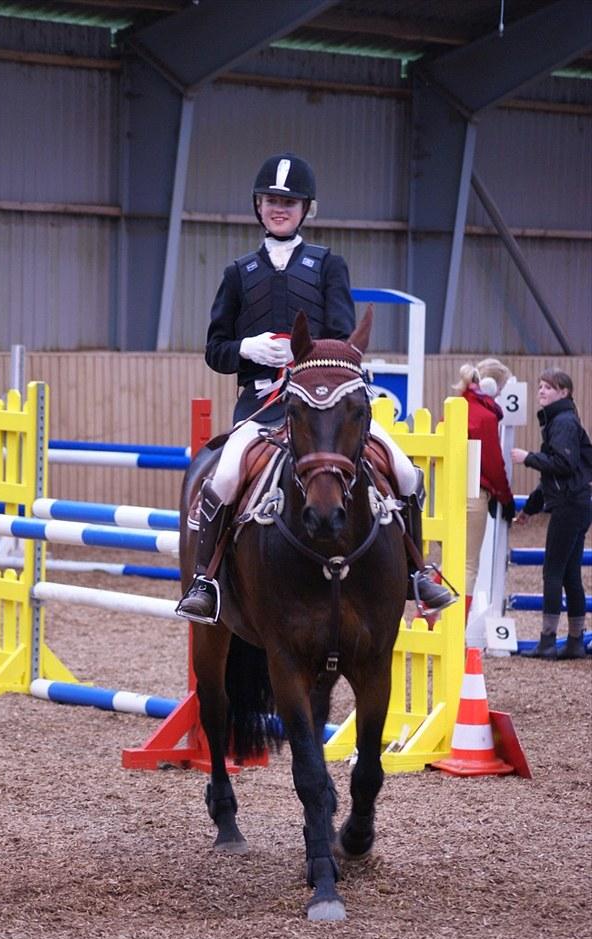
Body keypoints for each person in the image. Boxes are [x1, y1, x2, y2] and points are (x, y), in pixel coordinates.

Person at [176, 152, 455, 623]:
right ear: (257, 207)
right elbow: (214, 349)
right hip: (261, 408)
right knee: (222, 479)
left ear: (306, 209)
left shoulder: (328, 265)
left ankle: (416, 573)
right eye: (269, 200)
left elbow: (346, 337)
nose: (278, 208)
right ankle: (205, 582)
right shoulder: (238, 274)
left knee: (405, 472)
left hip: (323, 406)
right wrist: (248, 348)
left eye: (288, 201)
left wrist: (306, 358)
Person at [511, 369, 592, 659]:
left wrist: (527, 458)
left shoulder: (563, 423)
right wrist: (530, 509)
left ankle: (547, 640)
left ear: (564, 393)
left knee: (553, 571)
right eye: (541, 386)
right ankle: (574, 641)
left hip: (570, 506)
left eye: (549, 387)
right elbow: (553, 478)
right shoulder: (561, 421)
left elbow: (562, 464)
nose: (542, 391)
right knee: (570, 573)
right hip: (577, 503)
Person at [452, 359, 516, 622]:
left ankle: (429, 612)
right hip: (475, 493)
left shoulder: (456, 406)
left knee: (450, 556)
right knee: (468, 564)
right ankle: (458, 627)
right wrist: (505, 497)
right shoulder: (487, 416)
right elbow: (493, 463)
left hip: (450, 490)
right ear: (491, 387)